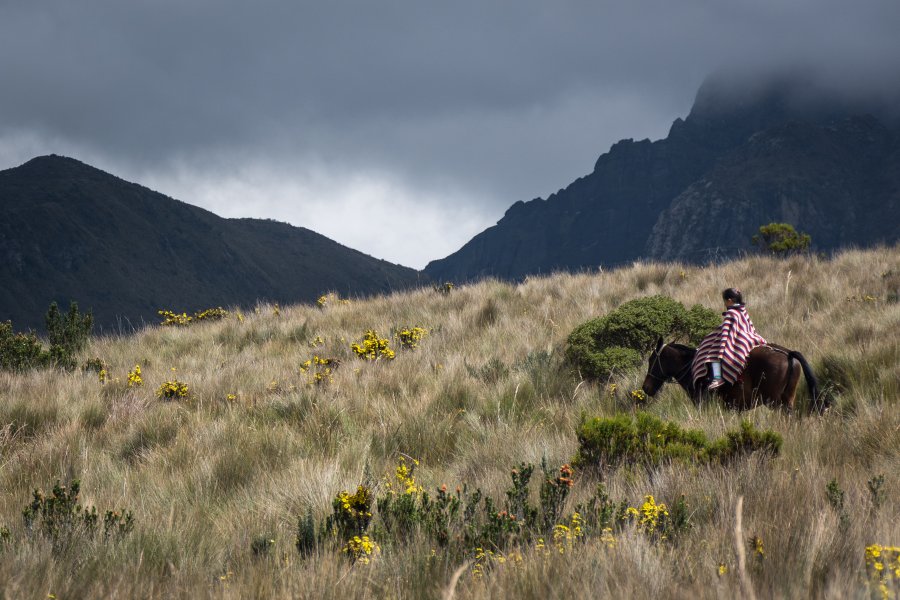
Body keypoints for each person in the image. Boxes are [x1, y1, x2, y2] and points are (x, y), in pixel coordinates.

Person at [692, 288, 767, 391]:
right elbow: (749, 327)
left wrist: (721, 345)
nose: (725, 304)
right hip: (746, 337)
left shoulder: (731, 312)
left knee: (713, 355)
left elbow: (725, 332)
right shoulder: (742, 310)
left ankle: (718, 378)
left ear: (729, 300)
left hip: (736, 339)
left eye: (725, 301)